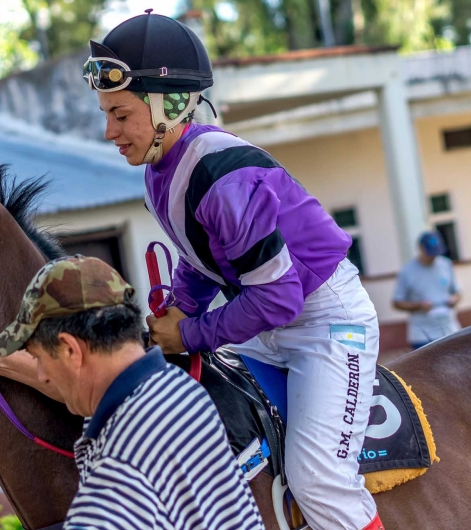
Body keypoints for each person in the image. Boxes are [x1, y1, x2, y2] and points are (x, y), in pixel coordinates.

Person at [82, 12, 384, 530]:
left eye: (121, 114)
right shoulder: (162, 167)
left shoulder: (222, 180)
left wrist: (192, 333)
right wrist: (180, 306)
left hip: (324, 323)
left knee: (319, 481)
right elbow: (201, 259)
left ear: (169, 105)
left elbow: (280, 299)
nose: (109, 131)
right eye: (107, 113)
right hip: (266, 324)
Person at [0, 256, 264, 530]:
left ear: (71, 350)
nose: (42, 373)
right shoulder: (176, 391)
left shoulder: (123, 459)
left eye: (39, 358)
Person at [393, 231, 462, 350]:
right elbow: (397, 303)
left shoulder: (446, 264)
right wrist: (419, 306)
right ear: (420, 248)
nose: (433, 257)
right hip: (422, 335)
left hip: (449, 329)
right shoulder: (407, 271)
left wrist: (454, 299)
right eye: (430, 252)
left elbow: (457, 292)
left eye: (436, 252)